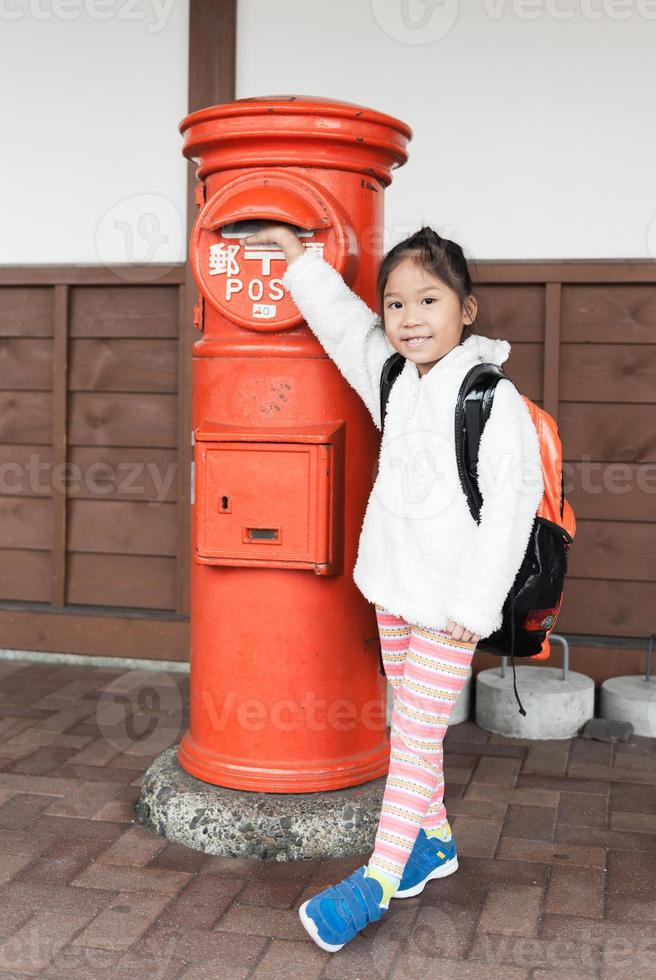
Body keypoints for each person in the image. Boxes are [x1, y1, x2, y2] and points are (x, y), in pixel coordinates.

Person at [243, 223, 544, 953]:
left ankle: (375, 881)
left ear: (466, 310)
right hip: (394, 589)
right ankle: (433, 839)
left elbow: (512, 507)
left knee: (411, 738)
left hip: (450, 606)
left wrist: (472, 611)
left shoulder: (488, 399)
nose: (410, 318)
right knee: (405, 726)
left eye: (429, 300)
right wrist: (300, 264)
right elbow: (349, 329)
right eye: (398, 304)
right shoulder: (395, 380)